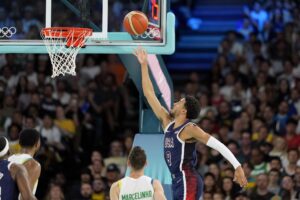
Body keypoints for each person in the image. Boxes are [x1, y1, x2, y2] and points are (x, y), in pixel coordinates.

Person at [134, 47, 247, 200]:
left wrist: (237, 166)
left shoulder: (189, 128)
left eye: (180, 102)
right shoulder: (167, 122)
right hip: (178, 180)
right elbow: (149, 94)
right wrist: (144, 64)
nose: (175, 102)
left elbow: (217, 144)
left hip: (188, 179)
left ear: (184, 111)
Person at [8, 128, 41, 195]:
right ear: (37, 144)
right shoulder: (33, 164)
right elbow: (25, 196)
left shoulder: (9, 158)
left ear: (19, 143)